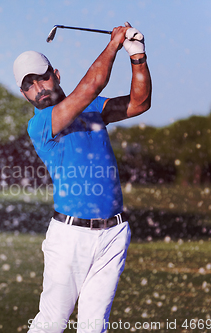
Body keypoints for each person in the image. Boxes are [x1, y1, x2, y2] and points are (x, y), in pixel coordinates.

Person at [12, 22, 152, 333]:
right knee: (52, 323)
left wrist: (137, 55)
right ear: (24, 94)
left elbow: (139, 103)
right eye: (30, 84)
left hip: (114, 233)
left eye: (43, 77)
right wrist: (113, 44)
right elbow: (92, 86)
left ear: (56, 74)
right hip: (70, 238)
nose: (40, 88)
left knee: (94, 327)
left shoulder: (92, 109)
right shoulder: (42, 124)